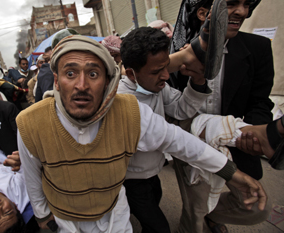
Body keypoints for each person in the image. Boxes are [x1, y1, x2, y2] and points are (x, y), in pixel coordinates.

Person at [16, 35, 267, 232]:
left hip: (115, 217)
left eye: (93, 74)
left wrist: (231, 173)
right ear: (57, 81)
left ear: (107, 80)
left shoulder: (129, 112)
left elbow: (179, 141)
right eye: (70, 73)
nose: (82, 85)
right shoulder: (31, 123)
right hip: (65, 221)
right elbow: (31, 174)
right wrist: (42, 216)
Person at [169, 0, 274, 232]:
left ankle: (213, 215)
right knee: (195, 211)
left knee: (256, 206)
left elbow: (261, 101)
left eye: (247, 4)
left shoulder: (258, 49)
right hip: (192, 141)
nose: (242, 12)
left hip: (236, 140)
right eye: (231, 4)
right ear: (204, 13)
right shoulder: (179, 52)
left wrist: (251, 131)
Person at [117, 27, 211, 233]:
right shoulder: (122, 101)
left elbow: (181, 109)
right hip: (132, 182)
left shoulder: (154, 85)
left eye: (166, 67)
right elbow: (167, 139)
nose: (166, 76)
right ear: (131, 73)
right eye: (156, 71)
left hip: (152, 174)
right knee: (159, 227)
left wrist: (198, 80)